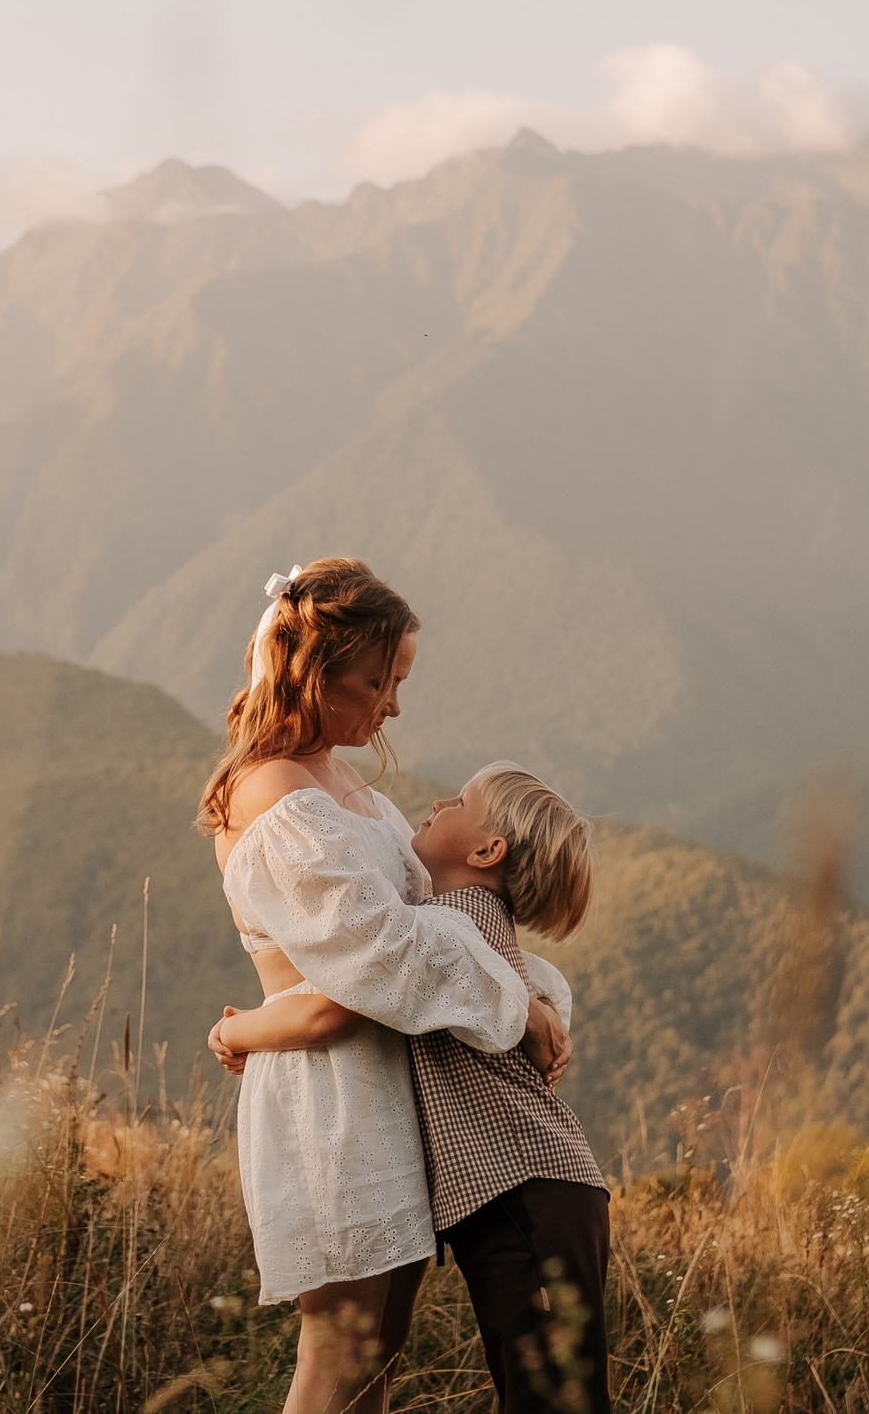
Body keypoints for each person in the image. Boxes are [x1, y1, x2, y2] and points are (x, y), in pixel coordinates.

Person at [201, 558, 573, 1414]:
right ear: (314, 673)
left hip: (389, 1096)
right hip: (331, 1106)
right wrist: (516, 1014)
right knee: (336, 1361)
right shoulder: (274, 796)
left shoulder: (341, 781)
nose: (393, 705)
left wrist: (539, 995)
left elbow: (441, 913)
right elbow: (375, 962)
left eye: (398, 680)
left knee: (376, 1362)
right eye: (379, 681)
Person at [401, 763, 610, 1414]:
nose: (438, 801)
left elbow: (382, 949)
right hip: (541, 1194)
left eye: (460, 800)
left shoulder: (449, 927)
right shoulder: (473, 923)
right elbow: (529, 986)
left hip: (525, 1194)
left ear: (488, 850)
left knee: (550, 1400)